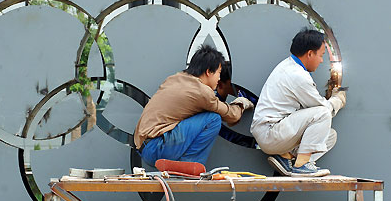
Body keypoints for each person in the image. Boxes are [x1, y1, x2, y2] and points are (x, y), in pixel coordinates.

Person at [134, 45, 254, 166]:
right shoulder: (201, 92)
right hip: (158, 148)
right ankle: (189, 167)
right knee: (213, 119)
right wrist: (241, 103)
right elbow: (232, 116)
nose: (219, 79)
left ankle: (182, 168)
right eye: (218, 73)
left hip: (146, 149)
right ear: (208, 72)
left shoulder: (174, 79)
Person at [250, 28, 346, 177]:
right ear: (310, 54)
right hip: (271, 133)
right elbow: (321, 107)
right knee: (323, 113)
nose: (321, 61)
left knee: (329, 135)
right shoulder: (297, 75)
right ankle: (301, 166)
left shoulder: (288, 66)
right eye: (321, 56)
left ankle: (286, 159)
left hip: (276, 132)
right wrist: (338, 100)